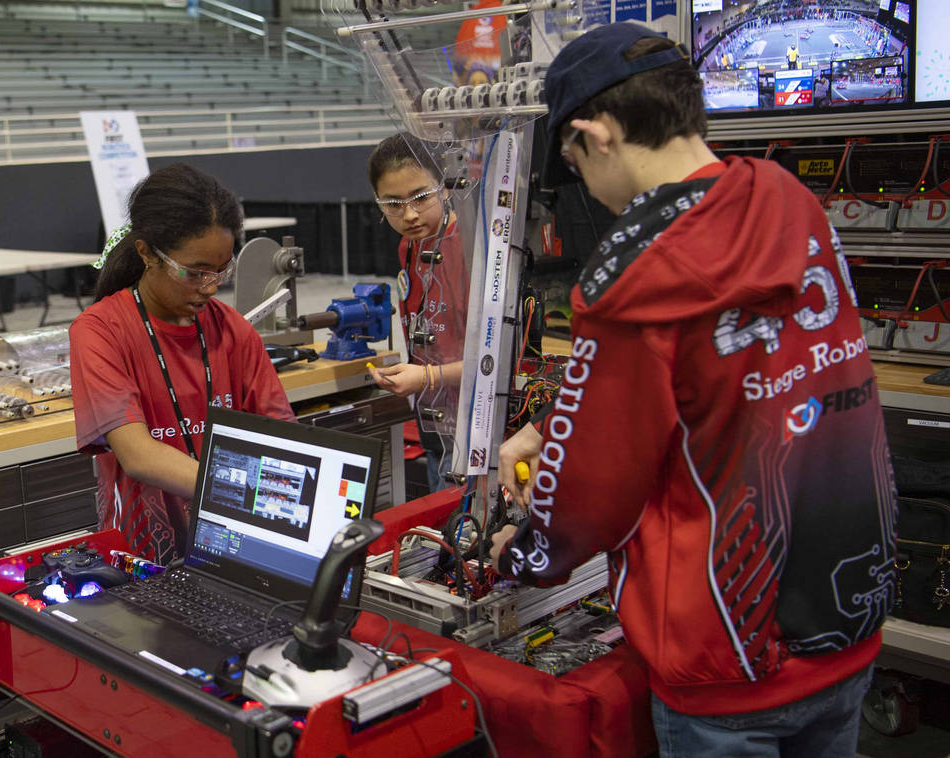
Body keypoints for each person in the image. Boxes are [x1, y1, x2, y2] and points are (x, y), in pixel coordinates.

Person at [490, 22, 897, 757]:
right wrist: (553, 422)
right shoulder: (785, 200)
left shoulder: (634, 271)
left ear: (596, 133)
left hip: (724, 655)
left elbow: (588, 494)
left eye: (573, 160)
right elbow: (723, 379)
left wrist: (518, 558)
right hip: (845, 615)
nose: (584, 184)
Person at [70, 163, 296, 565]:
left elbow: (283, 441)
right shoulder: (100, 332)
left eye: (221, 270)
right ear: (146, 253)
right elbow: (137, 455)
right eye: (194, 273)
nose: (210, 287)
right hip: (141, 559)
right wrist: (242, 492)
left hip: (235, 552)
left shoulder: (234, 332)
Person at [365, 133, 470, 492]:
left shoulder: (474, 249)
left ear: (444, 187)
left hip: (476, 424)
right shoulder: (408, 247)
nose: (409, 215)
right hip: (432, 417)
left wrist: (426, 378)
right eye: (393, 203)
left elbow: (496, 362)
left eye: (420, 197)